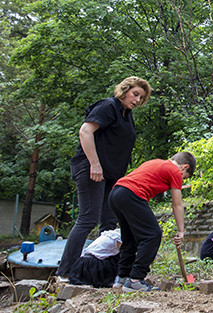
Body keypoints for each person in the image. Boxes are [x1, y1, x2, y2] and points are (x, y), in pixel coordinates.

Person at [57, 76, 152, 282]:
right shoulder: (108, 106)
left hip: (112, 175)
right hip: (91, 168)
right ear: (124, 90)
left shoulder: (127, 115)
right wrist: (95, 163)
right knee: (88, 218)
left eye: (141, 97)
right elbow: (85, 131)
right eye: (135, 94)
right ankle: (66, 271)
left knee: (109, 223)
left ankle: (102, 273)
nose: (137, 100)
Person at [109, 151, 196, 292]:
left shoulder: (156, 162)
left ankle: (122, 278)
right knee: (152, 235)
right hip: (131, 194)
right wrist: (181, 230)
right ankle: (135, 280)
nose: (181, 179)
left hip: (116, 193)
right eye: (184, 177)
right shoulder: (174, 171)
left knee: (129, 237)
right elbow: (177, 205)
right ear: (184, 167)